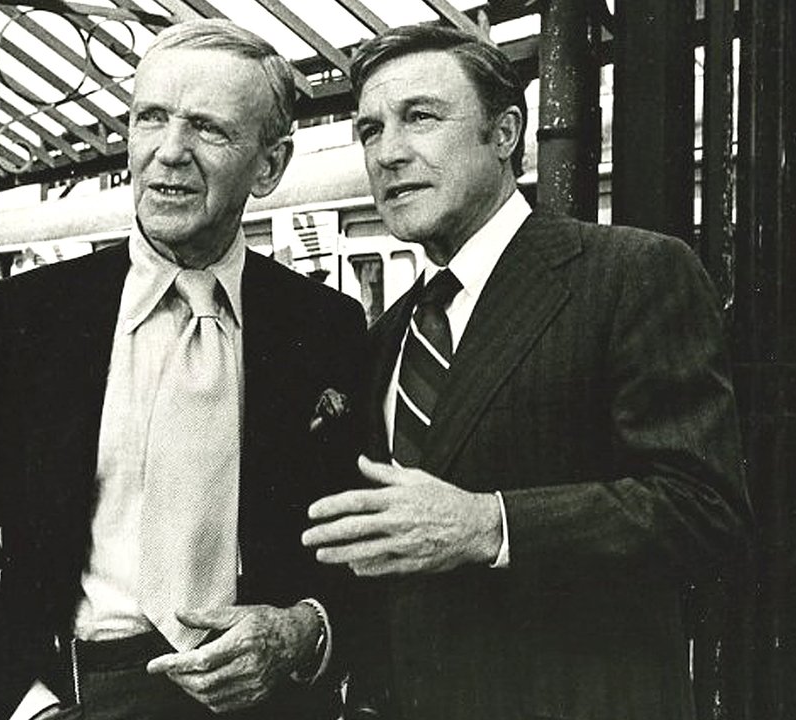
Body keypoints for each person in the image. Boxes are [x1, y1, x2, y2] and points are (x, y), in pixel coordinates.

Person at [0, 19, 366, 720]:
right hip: (83, 692)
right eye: (151, 118)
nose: (169, 152)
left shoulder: (324, 327)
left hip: (271, 699)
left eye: (208, 128)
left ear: (269, 167)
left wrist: (304, 631)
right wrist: (27, 708)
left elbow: (358, 547)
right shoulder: (19, 321)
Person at [302, 24, 751, 720]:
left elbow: (705, 512)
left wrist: (492, 524)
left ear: (506, 133)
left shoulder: (630, 274)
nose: (388, 152)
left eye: (420, 117)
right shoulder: (389, 336)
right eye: (370, 129)